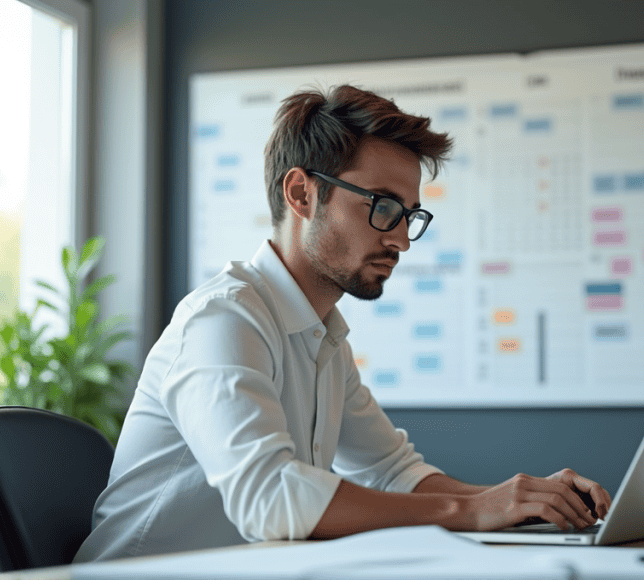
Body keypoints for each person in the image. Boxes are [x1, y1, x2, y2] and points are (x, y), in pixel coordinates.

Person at [74, 85, 611, 562]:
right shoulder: (222, 319)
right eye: (382, 206)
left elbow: (393, 473)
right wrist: (470, 512)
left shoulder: (322, 337)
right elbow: (271, 500)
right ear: (302, 194)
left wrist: (518, 499)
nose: (400, 239)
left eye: (409, 215)